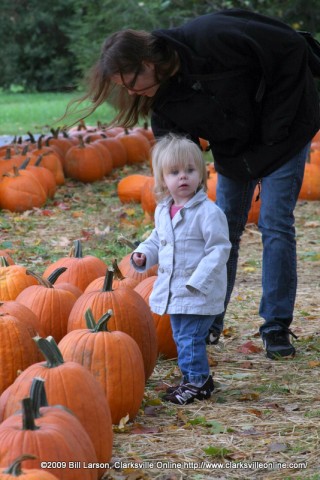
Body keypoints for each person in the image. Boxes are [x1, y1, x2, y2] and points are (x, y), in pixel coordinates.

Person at [74, 8, 320, 359]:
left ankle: (276, 326)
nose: (133, 92)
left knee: (275, 223)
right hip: (237, 151)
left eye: (131, 82)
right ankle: (209, 319)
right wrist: (171, 211)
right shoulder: (164, 105)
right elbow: (175, 160)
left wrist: (275, 130)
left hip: (285, 131)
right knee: (222, 229)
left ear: (148, 61)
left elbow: (292, 48)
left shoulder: (211, 36)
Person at [131, 134, 231, 405]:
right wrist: (143, 254)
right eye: (174, 172)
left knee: (189, 338)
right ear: (163, 179)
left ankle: (197, 382)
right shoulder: (164, 210)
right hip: (174, 292)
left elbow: (219, 250)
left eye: (190, 170)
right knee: (181, 338)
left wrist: (198, 281)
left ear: (201, 174)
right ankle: (195, 378)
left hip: (198, 292)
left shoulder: (208, 213)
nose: (183, 177)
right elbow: (157, 239)